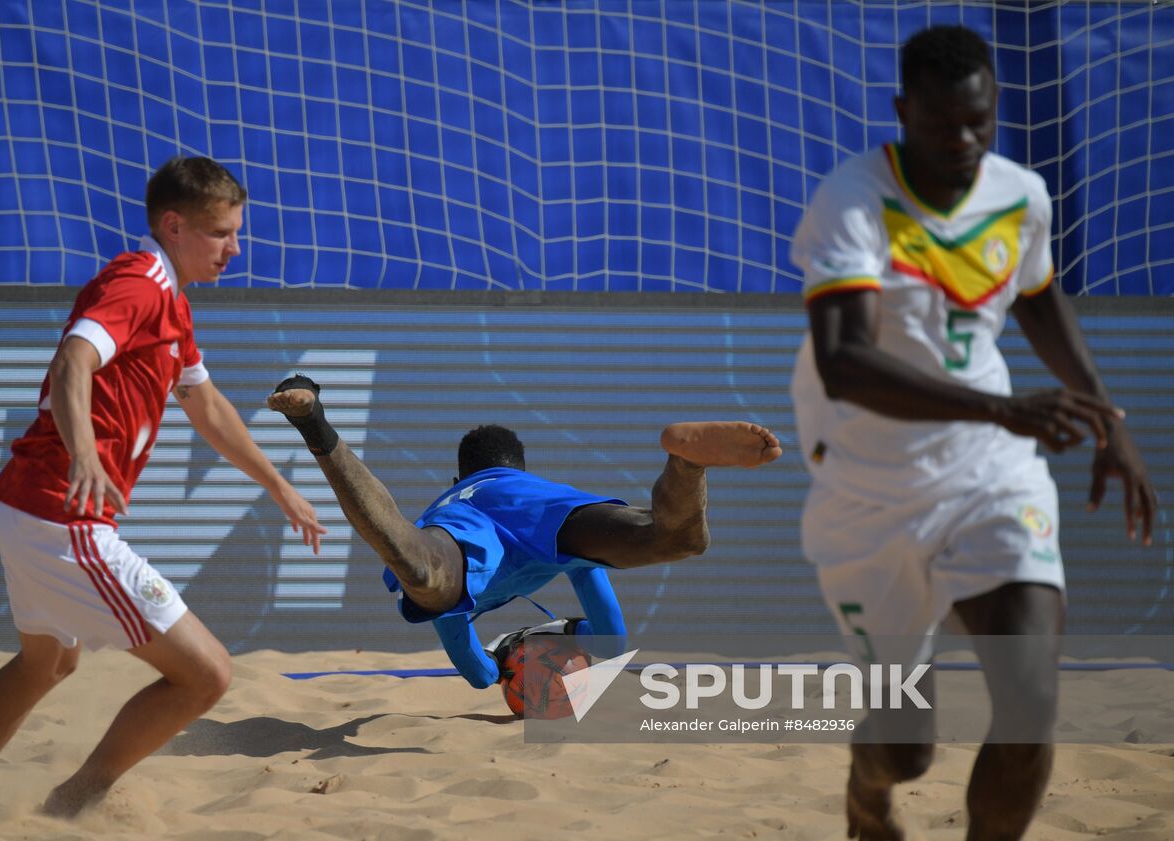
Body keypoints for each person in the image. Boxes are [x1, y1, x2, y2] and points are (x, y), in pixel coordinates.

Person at [788, 25, 1158, 841]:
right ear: (901, 112)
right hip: (866, 492)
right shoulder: (853, 200)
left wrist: (1105, 416)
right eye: (940, 124)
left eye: (979, 124)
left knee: (1031, 702)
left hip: (991, 474)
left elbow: (1035, 297)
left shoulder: (1020, 193)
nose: (962, 142)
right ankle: (867, 782)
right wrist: (1002, 406)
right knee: (905, 748)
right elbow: (845, 360)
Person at [0, 156, 327, 818]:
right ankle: (70, 801)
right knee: (208, 674)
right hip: (64, 513)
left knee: (46, 664)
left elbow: (209, 408)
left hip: (26, 504)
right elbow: (73, 360)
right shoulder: (139, 283)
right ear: (173, 226)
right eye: (222, 232)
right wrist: (84, 450)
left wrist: (279, 486)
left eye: (236, 231)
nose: (236, 247)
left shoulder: (172, 303)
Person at [267, 374, 782, 691]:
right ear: (519, 465)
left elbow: (475, 671)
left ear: (457, 479)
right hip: (546, 512)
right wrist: (562, 643)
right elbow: (613, 640)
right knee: (674, 539)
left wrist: (502, 667)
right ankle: (685, 465)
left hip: (465, 534)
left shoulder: (453, 500)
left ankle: (316, 424)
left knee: (421, 569)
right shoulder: (536, 487)